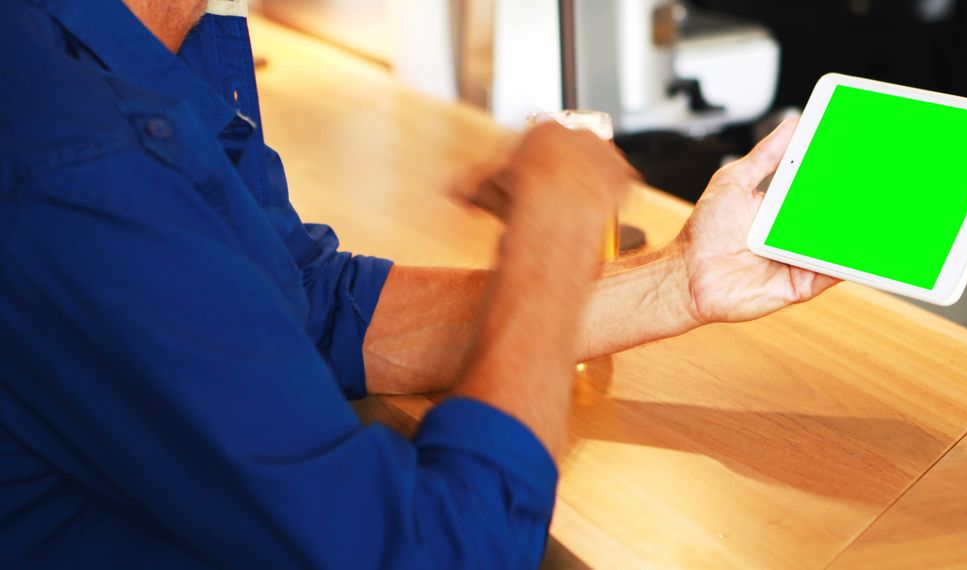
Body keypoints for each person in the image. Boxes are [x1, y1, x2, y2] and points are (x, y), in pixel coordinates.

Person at [0, 0, 837, 568]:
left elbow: (310, 306)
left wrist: (676, 282)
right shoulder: (85, 157)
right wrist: (550, 231)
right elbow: (440, 550)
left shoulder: (140, 50)